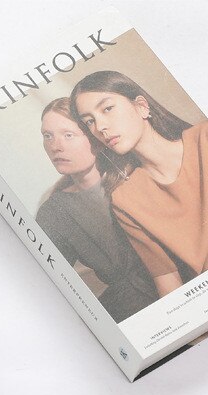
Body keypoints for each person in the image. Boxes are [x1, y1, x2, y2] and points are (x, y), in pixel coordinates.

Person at [71, 70, 208, 297]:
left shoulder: (203, 138)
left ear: (142, 106)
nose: (100, 127)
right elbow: (167, 281)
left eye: (107, 108)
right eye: (89, 122)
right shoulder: (125, 199)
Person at [35, 97, 157, 321]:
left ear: (96, 139)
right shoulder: (53, 212)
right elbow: (45, 284)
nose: (55, 146)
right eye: (47, 136)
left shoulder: (137, 174)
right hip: (129, 309)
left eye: (68, 135)